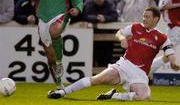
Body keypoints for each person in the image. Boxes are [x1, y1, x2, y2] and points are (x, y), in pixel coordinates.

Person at [48, 7, 180, 101]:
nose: (144, 19)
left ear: (156, 19)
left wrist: (174, 62)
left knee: (144, 97)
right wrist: (122, 39)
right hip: (124, 65)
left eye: (147, 17)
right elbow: (119, 33)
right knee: (97, 79)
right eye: (143, 16)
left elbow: (170, 52)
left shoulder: (162, 37)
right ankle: (62, 92)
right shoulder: (135, 27)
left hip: (139, 73)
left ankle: (115, 96)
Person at [18, 0, 83, 89]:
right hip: (43, 19)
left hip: (61, 16)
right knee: (49, 57)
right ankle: (59, 86)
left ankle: (60, 63)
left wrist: (78, 8)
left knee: (55, 31)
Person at [151, 0, 180, 72]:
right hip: (174, 27)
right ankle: (147, 70)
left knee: (168, 54)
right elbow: (161, 6)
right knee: (168, 54)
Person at [83, 0, 118, 66]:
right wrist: (96, 18)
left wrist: (105, 18)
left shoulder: (109, 4)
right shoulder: (88, 4)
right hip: (91, 40)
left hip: (107, 42)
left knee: (105, 63)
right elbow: (84, 16)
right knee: (90, 63)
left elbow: (115, 16)